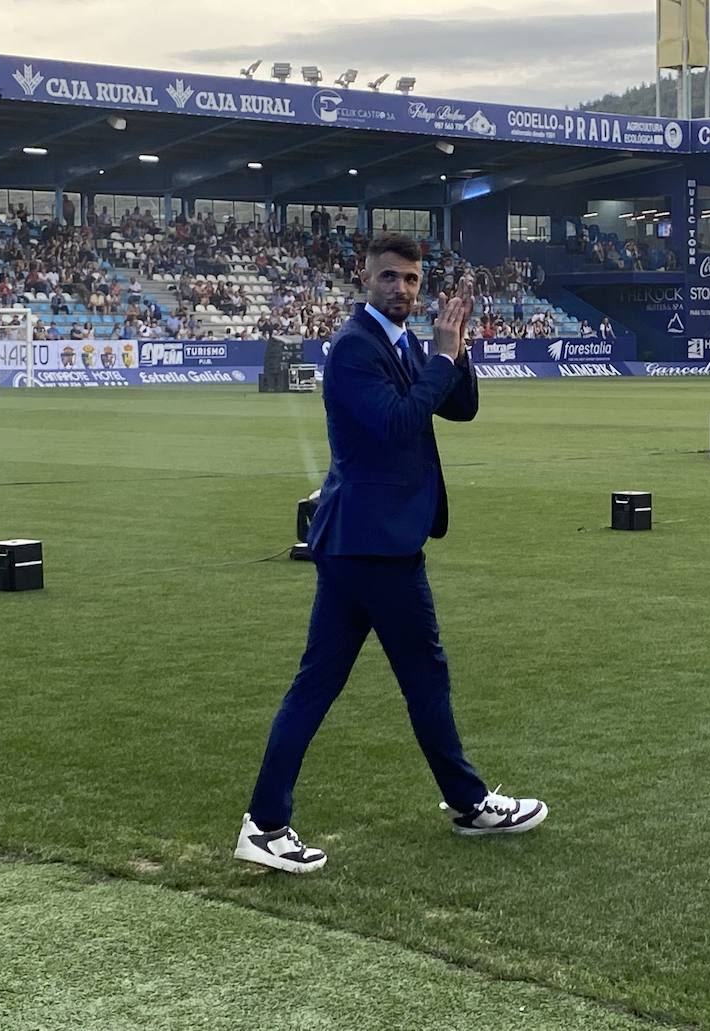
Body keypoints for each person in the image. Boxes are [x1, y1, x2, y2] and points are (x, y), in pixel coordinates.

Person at [236, 234, 547, 875]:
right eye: (389, 278)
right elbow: (401, 421)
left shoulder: (398, 343)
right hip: (375, 546)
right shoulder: (354, 349)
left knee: (319, 684)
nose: (402, 289)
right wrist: (440, 353)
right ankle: (468, 803)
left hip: (362, 543)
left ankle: (264, 824)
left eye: (410, 280)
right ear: (364, 278)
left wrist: (456, 353)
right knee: (422, 679)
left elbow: (459, 409)